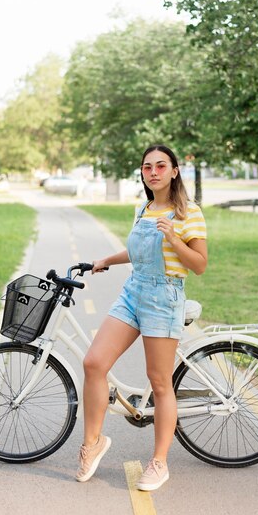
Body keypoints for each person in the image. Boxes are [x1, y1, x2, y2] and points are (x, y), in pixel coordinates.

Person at [76, 144, 208, 491]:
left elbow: (199, 265)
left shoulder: (189, 213)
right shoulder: (144, 208)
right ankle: (93, 444)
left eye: (160, 166)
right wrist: (105, 260)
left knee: (160, 381)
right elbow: (136, 252)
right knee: (94, 363)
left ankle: (159, 463)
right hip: (134, 291)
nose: (153, 172)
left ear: (174, 171)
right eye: (147, 167)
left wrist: (174, 238)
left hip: (164, 297)